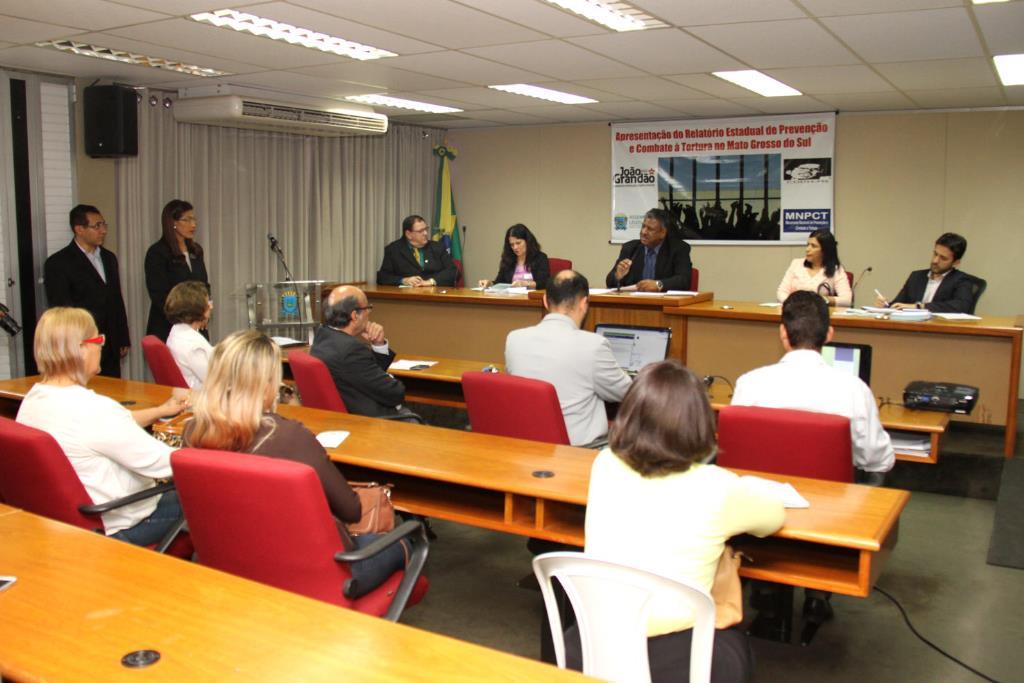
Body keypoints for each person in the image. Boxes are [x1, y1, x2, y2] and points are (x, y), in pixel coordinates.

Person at [580, 359, 785, 682]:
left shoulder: (603, 464)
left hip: (598, 636)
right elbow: (773, 518)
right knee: (735, 649)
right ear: (699, 423)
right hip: (677, 654)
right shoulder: (718, 488)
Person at [183, 330, 412, 596]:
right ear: (267, 385)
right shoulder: (289, 436)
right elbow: (351, 510)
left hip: (230, 565)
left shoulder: (193, 432)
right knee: (407, 540)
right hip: (319, 576)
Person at [16, 307, 187, 545]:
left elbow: (109, 427)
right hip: (121, 523)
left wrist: (160, 412)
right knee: (203, 498)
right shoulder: (94, 410)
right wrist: (211, 450)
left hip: (62, 524)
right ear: (80, 349)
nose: (101, 346)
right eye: (98, 340)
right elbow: (165, 464)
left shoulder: (34, 400)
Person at [733, 291, 894, 476]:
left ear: (783, 332)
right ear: (829, 334)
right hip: (832, 500)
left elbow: (739, 448)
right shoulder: (854, 390)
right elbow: (879, 461)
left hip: (763, 497)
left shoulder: (749, 384)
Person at [505, 270, 631, 446]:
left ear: (544, 300)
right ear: (584, 303)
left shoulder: (514, 339)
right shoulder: (594, 346)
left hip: (528, 448)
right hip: (580, 452)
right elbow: (628, 392)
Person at [43, 204, 131, 377]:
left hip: (111, 342)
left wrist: (122, 336)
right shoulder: (58, 263)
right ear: (79, 229)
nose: (103, 230)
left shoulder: (109, 257)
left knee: (113, 394)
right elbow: (62, 309)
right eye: (97, 226)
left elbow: (116, 298)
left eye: (104, 225)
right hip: (82, 344)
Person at [311, 285, 417, 420]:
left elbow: (367, 375)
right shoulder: (350, 350)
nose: (369, 313)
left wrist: (378, 345)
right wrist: (389, 378)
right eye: (367, 308)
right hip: (378, 420)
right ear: (355, 315)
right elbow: (395, 392)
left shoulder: (323, 337)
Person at [145, 199, 209, 341]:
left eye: (193, 219)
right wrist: (186, 319)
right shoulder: (157, 252)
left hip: (197, 328)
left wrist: (205, 310)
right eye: (186, 220)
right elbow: (159, 295)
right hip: (168, 328)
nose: (193, 224)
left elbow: (204, 286)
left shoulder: (196, 251)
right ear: (172, 223)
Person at [879, 233, 976, 313]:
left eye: (943, 258)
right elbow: (899, 304)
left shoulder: (962, 280)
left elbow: (961, 306)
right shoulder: (916, 277)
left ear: (956, 262)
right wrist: (886, 305)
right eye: (935, 254)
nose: (935, 260)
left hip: (939, 332)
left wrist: (919, 307)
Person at [605, 208, 692, 292]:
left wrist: (659, 284)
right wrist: (617, 276)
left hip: (664, 303)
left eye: (650, 229)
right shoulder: (630, 248)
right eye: (643, 226)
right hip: (634, 302)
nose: (643, 232)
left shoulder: (679, 249)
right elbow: (609, 282)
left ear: (663, 233)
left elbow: (683, 280)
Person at [776, 229, 852, 307]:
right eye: (808, 245)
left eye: (813, 246)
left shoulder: (836, 270)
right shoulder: (796, 264)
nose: (807, 249)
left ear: (825, 250)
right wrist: (795, 304)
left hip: (819, 316)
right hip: (794, 312)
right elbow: (781, 292)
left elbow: (846, 300)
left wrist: (820, 300)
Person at [377, 214, 457, 287]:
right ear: (408, 234)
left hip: (436, 295)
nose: (425, 233)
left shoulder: (438, 247)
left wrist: (431, 281)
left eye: (426, 229)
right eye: (420, 231)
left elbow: (454, 271)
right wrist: (403, 280)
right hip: (407, 298)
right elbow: (383, 277)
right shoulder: (393, 250)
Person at [164, 281, 214, 389]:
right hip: (201, 398)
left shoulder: (176, 331)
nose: (211, 306)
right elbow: (215, 381)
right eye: (208, 302)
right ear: (196, 307)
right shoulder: (193, 344)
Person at [478, 223, 550, 290]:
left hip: (532, 300)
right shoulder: (508, 259)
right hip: (512, 299)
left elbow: (544, 283)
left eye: (518, 243)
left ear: (528, 241)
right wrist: (490, 283)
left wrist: (526, 284)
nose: (515, 247)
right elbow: (500, 281)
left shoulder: (540, 258)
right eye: (512, 245)